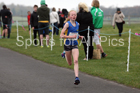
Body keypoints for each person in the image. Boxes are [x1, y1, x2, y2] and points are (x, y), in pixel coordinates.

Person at [60, 10, 83, 85]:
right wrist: (71, 36)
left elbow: (76, 33)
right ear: (69, 16)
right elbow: (61, 35)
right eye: (72, 15)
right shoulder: (67, 24)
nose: (74, 16)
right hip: (67, 44)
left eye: (75, 15)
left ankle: (77, 78)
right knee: (70, 63)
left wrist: (79, 36)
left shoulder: (78, 24)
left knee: (76, 61)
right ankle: (64, 54)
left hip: (75, 44)